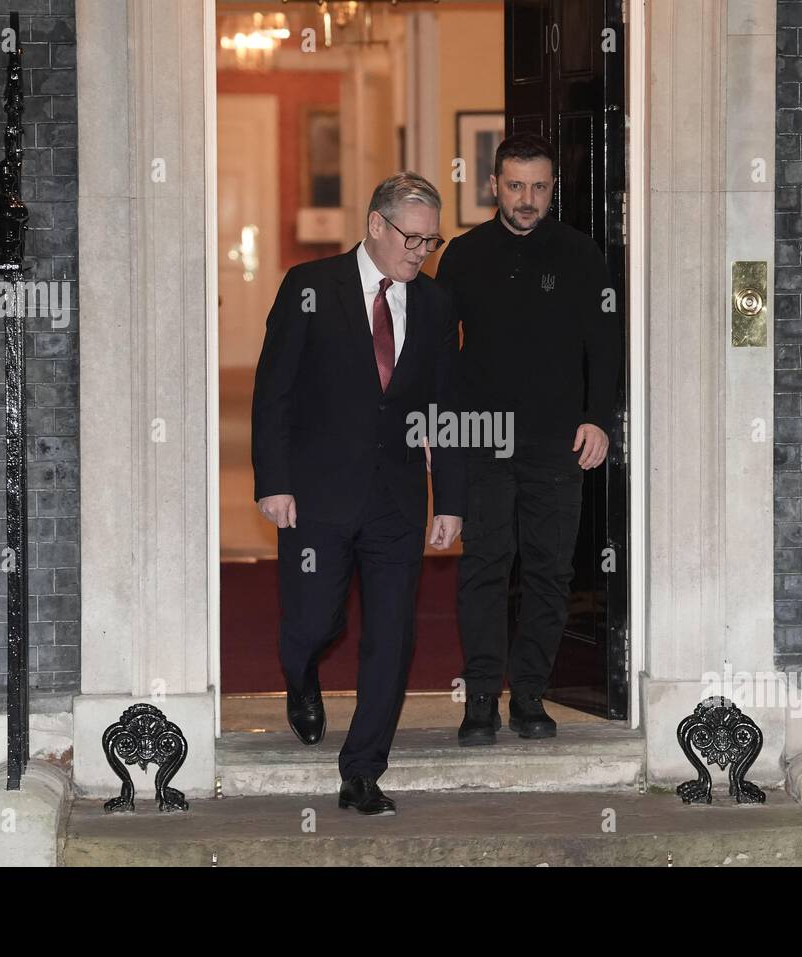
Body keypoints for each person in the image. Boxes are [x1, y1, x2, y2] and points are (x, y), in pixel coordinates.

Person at [251, 172, 465, 814]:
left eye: (431, 242)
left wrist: (449, 498)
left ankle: (363, 770)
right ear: (375, 224)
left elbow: (445, 405)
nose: (420, 252)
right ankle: (300, 673)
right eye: (411, 237)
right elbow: (274, 393)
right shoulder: (309, 288)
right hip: (315, 496)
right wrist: (275, 482)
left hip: (396, 501)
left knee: (392, 636)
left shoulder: (433, 305)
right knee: (316, 621)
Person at [435, 133, 621, 746]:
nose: (527, 198)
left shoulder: (581, 254)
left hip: (555, 442)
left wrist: (599, 418)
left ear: (552, 189)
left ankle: (532, 696)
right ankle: (481, 700)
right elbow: (440, 358)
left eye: (539, 187)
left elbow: (604, 344)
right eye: (515, 185)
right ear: (493, 185)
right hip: (482, 439)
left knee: (549, 572)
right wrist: (442, 430)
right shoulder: (462, 257)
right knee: (484, 568)